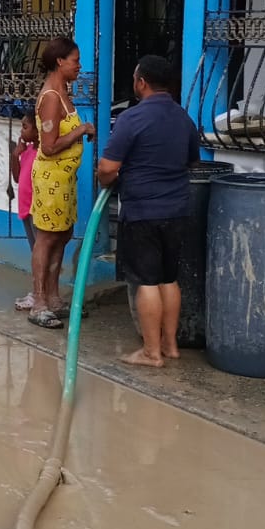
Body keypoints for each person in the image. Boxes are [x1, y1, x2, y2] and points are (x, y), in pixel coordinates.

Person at [96, 55, 200, 368]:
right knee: (169, 278)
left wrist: (108, 179)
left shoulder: (132, 118)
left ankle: (151, 352)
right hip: (178, 209)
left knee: (147, 281)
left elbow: (107, 167)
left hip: (143, 210)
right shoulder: (184, 118)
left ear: (141, 82)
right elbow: (191, 161)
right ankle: (170, 346)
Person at [28, 36, 95, 329]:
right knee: (46, 238)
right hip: (50, 179)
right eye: (75, 60)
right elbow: (49, 146)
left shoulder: (63, 92)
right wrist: (80, 130)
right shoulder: (52, 98)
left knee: (62, 235)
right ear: (60, 61)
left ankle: (54, 298)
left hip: (64, 179)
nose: (79, 66)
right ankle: (39, 302)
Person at [9, 112, 39, 312]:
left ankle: (39, 294)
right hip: (25, 210)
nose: (22, 131)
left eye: (25, 127)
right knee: (35, 252)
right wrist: (15, 155)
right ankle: (37, 292)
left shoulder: (42, 154)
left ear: (37, 132)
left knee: (39, 253)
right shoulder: (27, 151)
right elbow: (18, 178)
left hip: (37, 211)